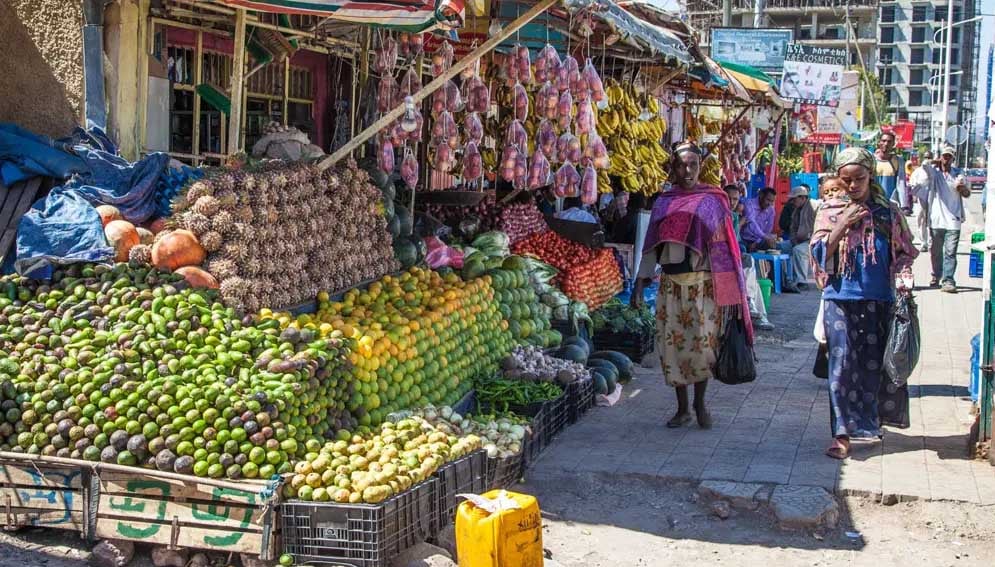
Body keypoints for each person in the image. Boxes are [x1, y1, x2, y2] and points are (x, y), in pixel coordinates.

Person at [810, 147, 918, 460]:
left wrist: (903, 279)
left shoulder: (888, 212)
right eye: (846, 180)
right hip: (839, 299)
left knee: (872, 366)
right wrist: (843, 223)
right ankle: (841, 434)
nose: (853, 185)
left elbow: (905, 252)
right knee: (841, 367)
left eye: (860, 178)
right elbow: (818, 254)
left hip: (879, 299)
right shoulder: (829, 211)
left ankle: (867, 424)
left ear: (871, 175)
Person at [635, 143, 753, 429]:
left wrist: (731, 293)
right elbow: (651, 246)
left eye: (692, 165)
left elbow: (725, 246)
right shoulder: (664, 201)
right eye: (680, 165)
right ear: (672, 167)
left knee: (702, 348)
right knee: (672, 349)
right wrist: (640, 284)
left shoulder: (712, 200)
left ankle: (700, 404)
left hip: (703, 285)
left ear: (700, 166)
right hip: (670, 286)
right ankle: (682, 408)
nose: (686, 171)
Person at [724, 184, 775, 331]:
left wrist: (761, 240)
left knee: (752, 274)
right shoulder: (720, 215)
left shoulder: (733, 216)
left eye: (735, 199)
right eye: (729, 198)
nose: (732, 202)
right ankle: (753, 308)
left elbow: (735, 240)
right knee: (748, 261)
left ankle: (758, 313)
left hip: (738, 249)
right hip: (721, 255)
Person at [925, 146, 971, 293]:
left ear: (953, 158)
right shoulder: (935, 173)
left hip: (953, 220)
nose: (946, 159)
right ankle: (936, 275)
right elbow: (923, 165)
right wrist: (935, 161)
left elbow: (967, 193)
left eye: (949, 156)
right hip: (936, 219)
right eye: (944, 156)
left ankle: (948, 280)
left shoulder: (958, 174)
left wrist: (962, 188)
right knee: (936, 251)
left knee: (950, 252)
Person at [779, 185, 816, 291]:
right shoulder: (796, 210)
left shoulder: (815, 206)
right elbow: (793, 229)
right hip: (800, 240)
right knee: (779, 247)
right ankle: (783, 279)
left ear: (803, 198)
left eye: (794, 199)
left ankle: (802, 281)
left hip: (813, 241)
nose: (792, 201)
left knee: (798, 250)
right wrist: (794, 240)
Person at [874, 131, 911, 213]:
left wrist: (904, 205)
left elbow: (901, 183)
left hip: (890, 204)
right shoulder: (871, 160)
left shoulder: (898, 160)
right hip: (873, 203)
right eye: (883, 141)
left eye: (889, 141)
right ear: (879, 142)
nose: (886, 144)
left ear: (893, 144)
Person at [908, 151, 935, 253]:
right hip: (921, 200)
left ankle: (931, 242)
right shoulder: (918, 172)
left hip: (933, 200)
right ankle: (923, 242)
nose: (927, 159)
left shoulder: (936, 171)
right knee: (921, 220)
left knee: (931, 221)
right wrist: (914, 196)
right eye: (926, 157)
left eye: (929, 157)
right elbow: (912, 185)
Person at [742, 187, 778, 252]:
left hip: (758, 241)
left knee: (776, 246)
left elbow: (768, 230)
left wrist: (757, 242)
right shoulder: (749, 204)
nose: (769, 203)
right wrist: (764, 237)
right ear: (761, 195)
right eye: (768, 200)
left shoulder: (771, 210)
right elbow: (751, 224)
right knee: (742, 249)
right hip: (744, 239)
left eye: (772, 201)